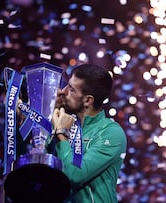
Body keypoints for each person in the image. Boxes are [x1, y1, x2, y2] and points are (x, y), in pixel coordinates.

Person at [51, 64, 127, 203]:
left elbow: (75, 176)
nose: (63, 91)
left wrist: (62, 135)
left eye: (72, 90)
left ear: (88, 100)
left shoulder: (110, 133)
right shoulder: (61, 122)